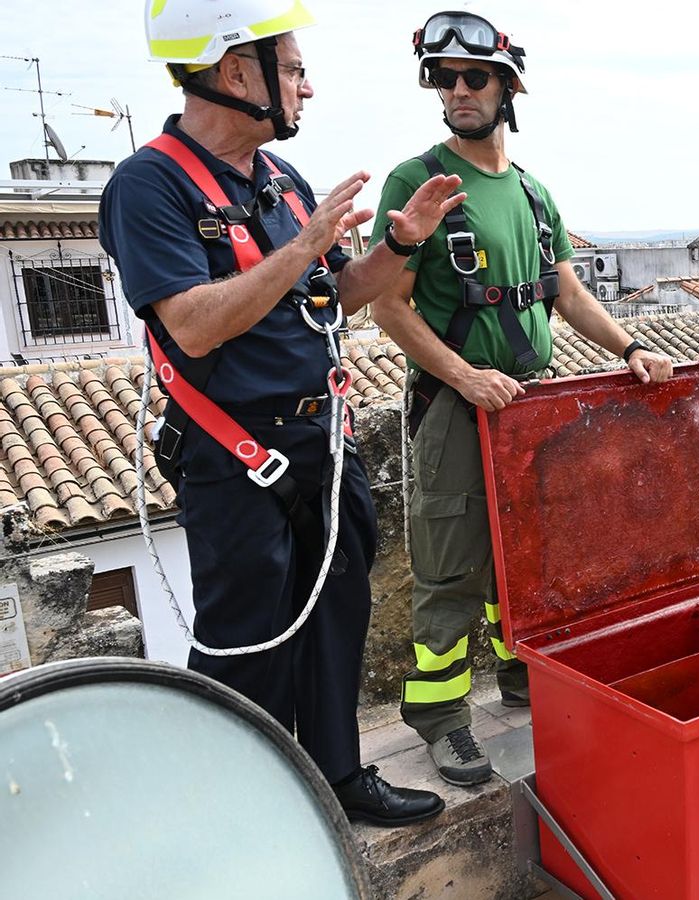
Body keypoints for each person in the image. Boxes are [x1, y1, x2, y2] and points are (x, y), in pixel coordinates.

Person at [102, 0, 459, 825]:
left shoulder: (281, 184)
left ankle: (337, 778)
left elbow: (341, 292)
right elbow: (191, 325)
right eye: (291, 68)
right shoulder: (149, 184)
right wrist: (301, 248)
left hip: (319, 437)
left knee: (338, 607)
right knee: (247, 635)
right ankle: (241, 808)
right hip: (234, 456)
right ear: (237, 72)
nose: (306, 87)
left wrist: (400, 245)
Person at [369, 10, 674, 787]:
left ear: (509, 87)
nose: (457, 91)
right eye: (443, 79)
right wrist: (465, 376)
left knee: (531, 564)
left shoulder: (534, 195)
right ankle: (441, 719)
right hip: (456, 410)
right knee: (451, 567)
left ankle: (523, 676)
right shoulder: (419, 181)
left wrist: (631, 347)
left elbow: (564, 290)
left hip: (530, 411)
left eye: (474, 78)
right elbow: (389, 306)